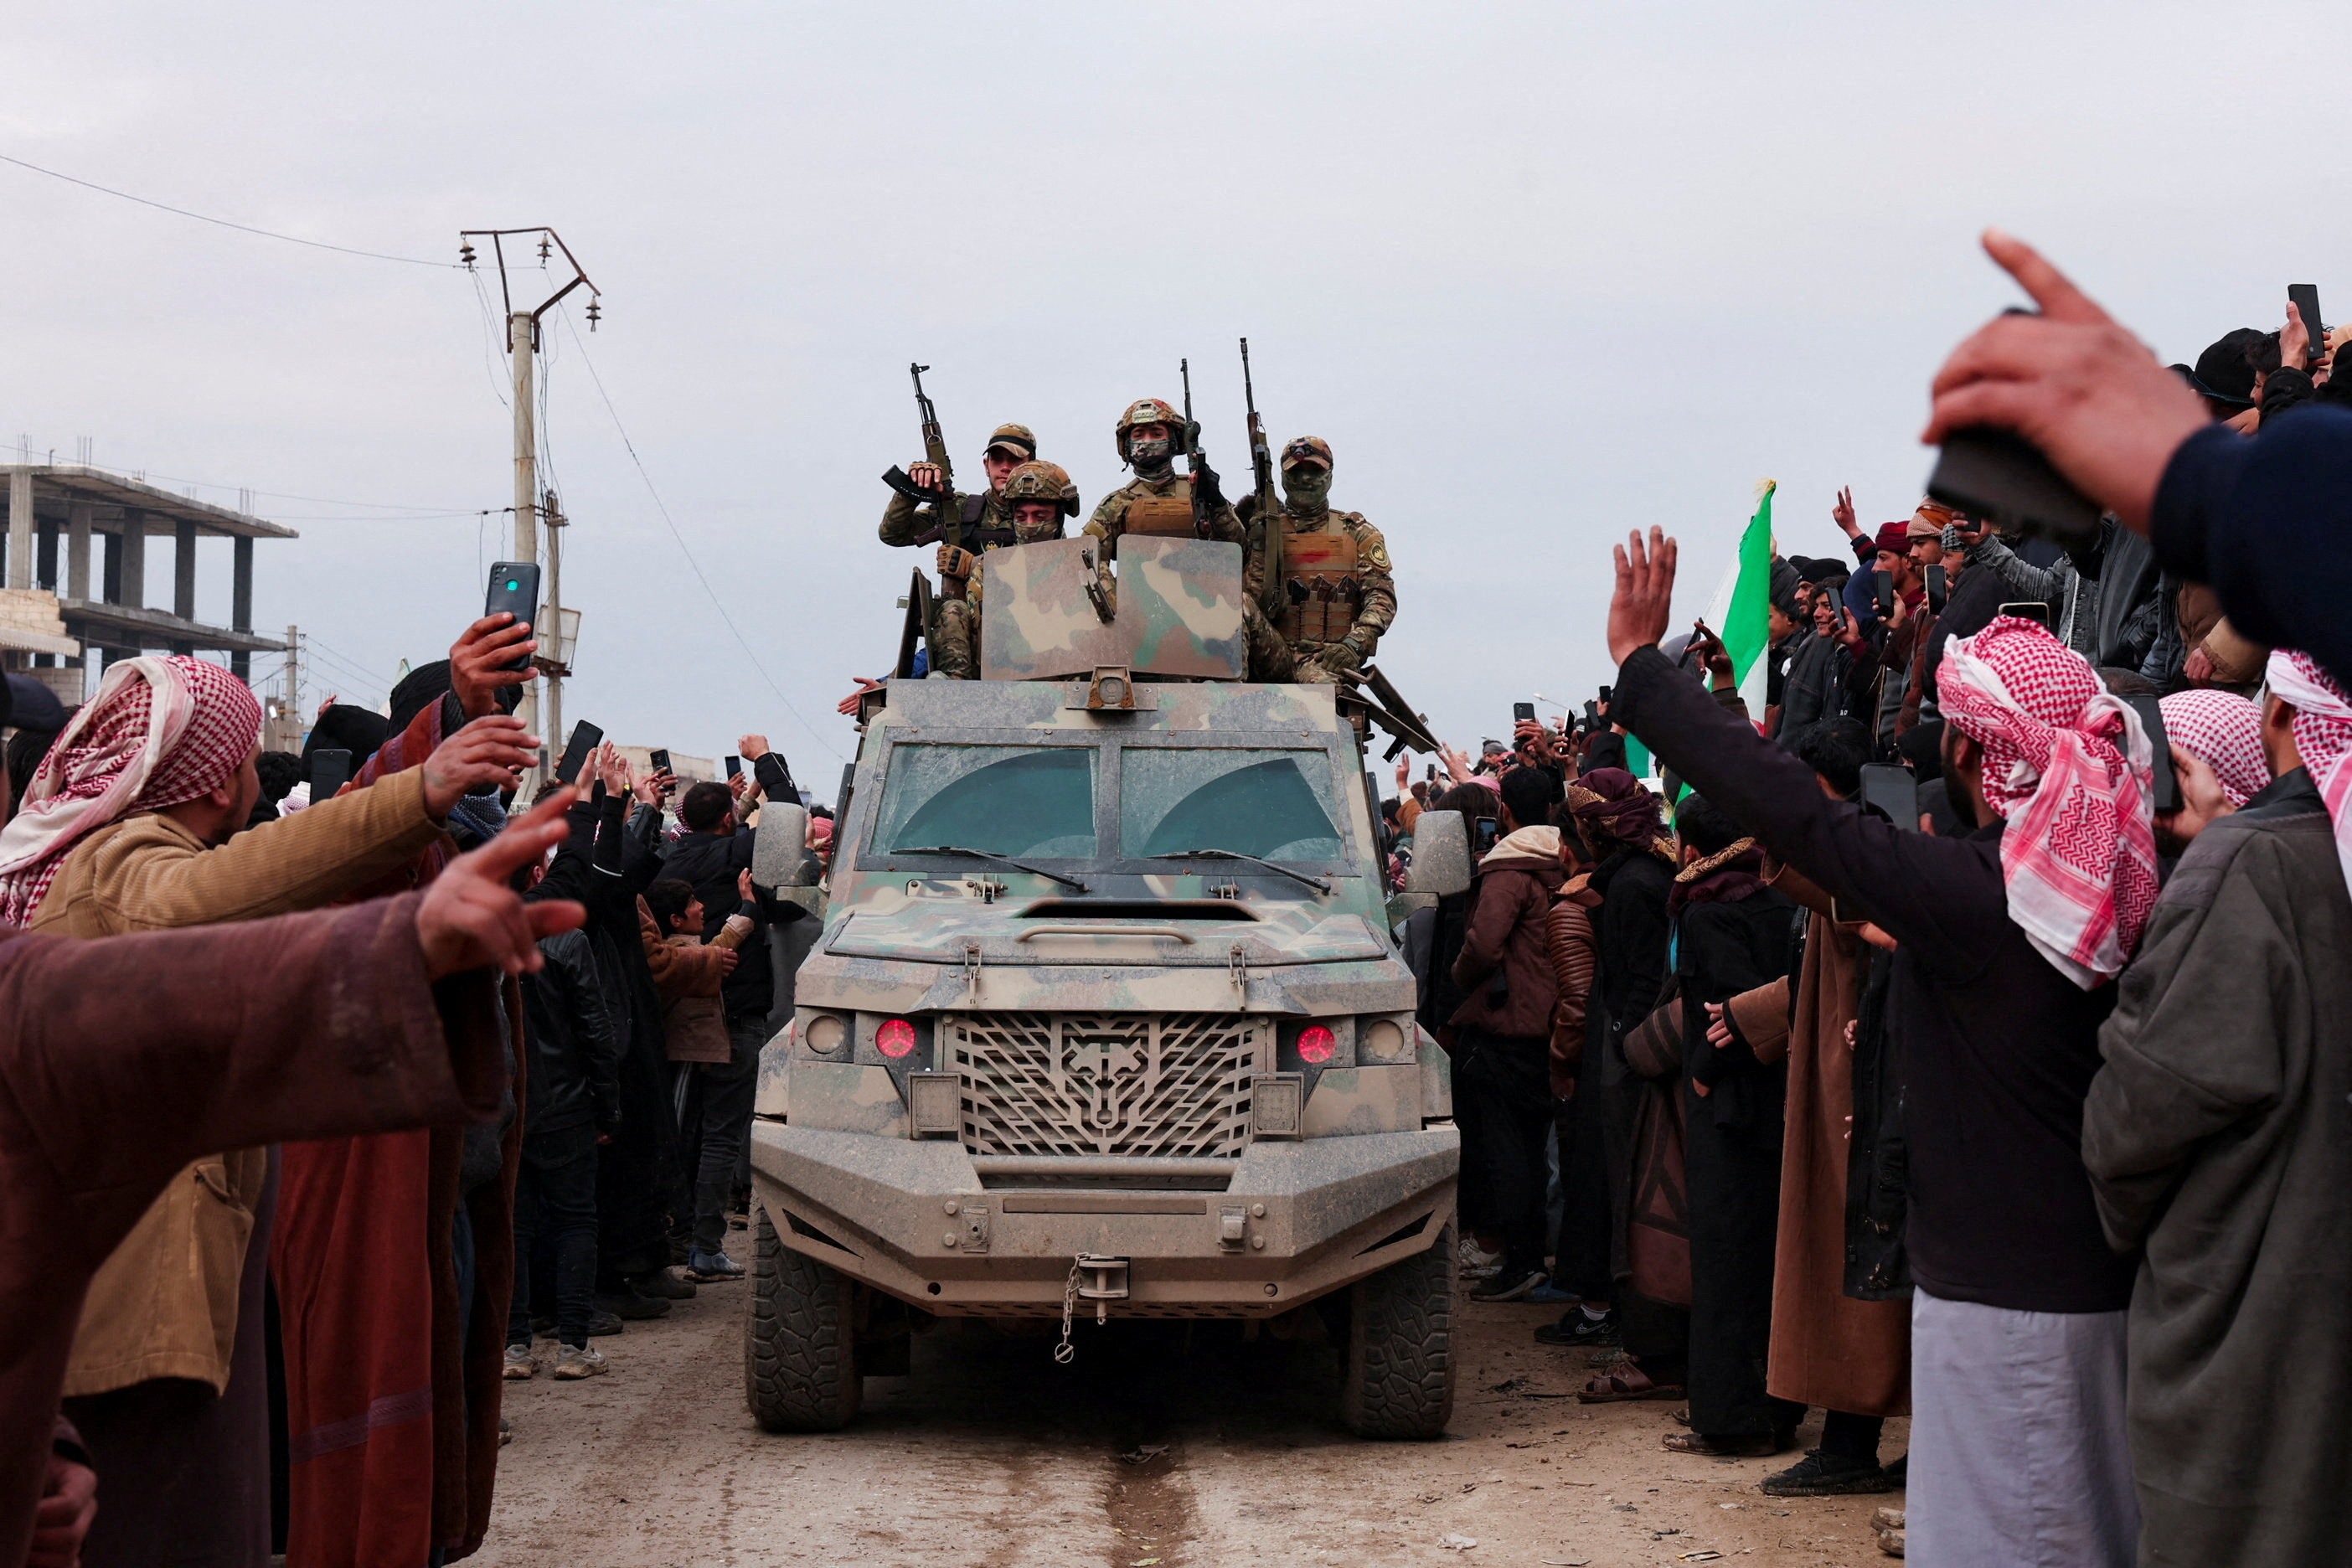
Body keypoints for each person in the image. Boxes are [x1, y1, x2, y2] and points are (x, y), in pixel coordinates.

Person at [1608, 528, 2150, 1566]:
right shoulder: (2111, 884)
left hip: (2008, 1315)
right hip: (2084, 1290)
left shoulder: (1985, 899)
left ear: (1973, 755)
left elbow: (1798, 816)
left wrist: (1643, 671)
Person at [0, 652, 534, 1568]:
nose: (257, 772)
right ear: (218, 781)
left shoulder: (100, 868)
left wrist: (432, 755)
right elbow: (226, 888)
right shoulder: (116, 867)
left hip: (144, 1321)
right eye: (247, 755)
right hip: (138, 1342)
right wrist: (419, 798)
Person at [2080, 647, 2352, 1565]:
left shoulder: (2251, 867)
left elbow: (2140, 1115)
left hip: (2253, 1323)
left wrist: (2152, 1239)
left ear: (2280, 716)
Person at [1715, 717, 1911, 1495]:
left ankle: (1853, 1442)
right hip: (1841, 1077)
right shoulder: (1853, 855)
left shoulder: (1868, 854)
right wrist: (1754, 1016)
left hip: (1863, 1087)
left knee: (1854, 1261)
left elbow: (1841, 905)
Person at [1653, 791, 1799, 1457]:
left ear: (1691, 850)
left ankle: (1735, 1420)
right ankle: (1778, 1408)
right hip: (1781, 1097)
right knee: (1769, 1255)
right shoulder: (1779, 897)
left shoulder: (1710, 909)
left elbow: (1728, 1009)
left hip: (1733, 1106)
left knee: (1725, 1257)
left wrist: (1705, 1072)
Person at [660, 771, 807, 1282]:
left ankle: (675, 1238)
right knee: (722, 1134)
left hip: (681, 1017)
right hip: (736, 1014)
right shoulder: (738, 857)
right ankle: (706, 1248)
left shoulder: (669, 857)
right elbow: (789, 815)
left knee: (683, 1130)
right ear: (729, 820)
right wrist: (764, 760)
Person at [1447, 765, 1569, 1302]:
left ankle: (1521, 1262)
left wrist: (1459, 980)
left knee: (1509, 1149)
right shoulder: (1567, 860)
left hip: (1509, 1025)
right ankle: (1548, 1256)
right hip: (1561, 1022)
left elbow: (1483, 945)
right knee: (1549, 1148)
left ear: (1505, 812)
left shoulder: (1508, 868)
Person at [1083, 398, 1292, 681]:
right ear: (1126, 445)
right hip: (1145, 622)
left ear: (1174, 441)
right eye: (1139, 435)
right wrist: (1118, 605)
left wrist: (1216, 503)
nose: (1147, 442)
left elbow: (1239, 549)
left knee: (1238, 604)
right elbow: (1088, 558)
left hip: (1206, 614)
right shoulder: (1118, 504)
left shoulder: (1198, 492)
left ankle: (1227, 693)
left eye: (1156, 433)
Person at [1253, 436, 1397, 683]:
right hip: (1272, 655)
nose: (1305, 479)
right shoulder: (1263, 530)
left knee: (1320, 699)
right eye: (1296, 472)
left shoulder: (1357, 533)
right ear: (1283, 477)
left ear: (1329, 476)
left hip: (1324, 660)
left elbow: (1381, 598)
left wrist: (1354, 644)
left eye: (1315, 471)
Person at [930, 458, 1081, 678]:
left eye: (1040, 516)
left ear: (1058, 518)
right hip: (998, 677)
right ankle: (955, 689)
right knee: (953, 610)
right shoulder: (990, 570)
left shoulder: (1081, 567)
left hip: (1065, 680)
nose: (1030, 525)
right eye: (1021, 517)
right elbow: (972, 631)